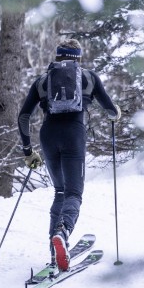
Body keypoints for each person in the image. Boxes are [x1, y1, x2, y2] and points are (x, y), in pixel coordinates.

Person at [17, 39, 121, 271]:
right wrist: (115, 115)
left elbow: (23, 117)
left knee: (60, 191)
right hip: (73, 135)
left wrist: (27, 151)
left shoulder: (42, 80)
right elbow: (111, 110)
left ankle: (55, 250)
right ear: (77, 58)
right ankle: (62, 232)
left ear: (59, 56)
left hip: (48, 135)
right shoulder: (89, 77)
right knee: (74, 193)